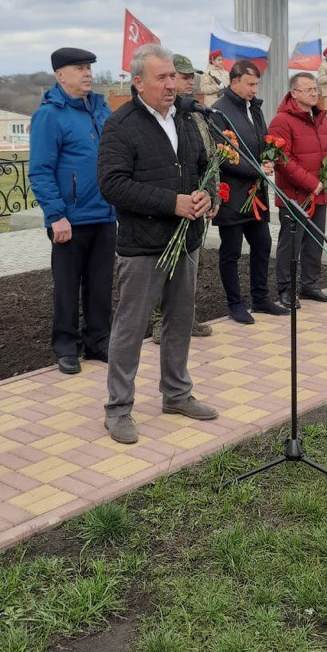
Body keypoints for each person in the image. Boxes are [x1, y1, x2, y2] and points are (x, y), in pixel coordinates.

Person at [98, 44, 218, 444]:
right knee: (130, 328)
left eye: (173, 77)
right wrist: (173, 203)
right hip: (143, 245)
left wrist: (207, 196)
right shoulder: (120, 125)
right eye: (162, 78)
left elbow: (202, 165)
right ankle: (118, 409)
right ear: (137, 82)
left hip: (185, 241)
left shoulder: (184, 117)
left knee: (180, 320)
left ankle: (177, 394)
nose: (172, 85)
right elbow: (112, 185)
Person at [29, 47, 116, 375]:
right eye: (79, 68)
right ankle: (66, 346)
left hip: (105, 215)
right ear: (60, 75)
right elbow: (40, 170)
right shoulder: (50, 115)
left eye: (90, 68)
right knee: (67, 286)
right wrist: (55, 215)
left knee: (100, 283)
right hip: (70, 219)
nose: (87, 74)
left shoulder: (100, 109)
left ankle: (98, 340)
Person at [269, 73, 327, 307]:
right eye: (308, 89)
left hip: (320, 193)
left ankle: (310, 284)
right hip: (295, 196)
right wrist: (311, 183)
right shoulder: (282, 121)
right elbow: (281, 160)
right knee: (291, 244)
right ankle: (286, 290)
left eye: (315, 88)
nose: (314, 92)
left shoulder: (321, 118)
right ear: (294, 93)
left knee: (315, 241)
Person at [214, 60, 288, 324]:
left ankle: (261, 298)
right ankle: (235, 304)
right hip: (232, 194)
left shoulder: (254, 108)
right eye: (250, 84)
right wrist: (256, 169)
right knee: (231, 250)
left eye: (256, 84)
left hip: (256, 192)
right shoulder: (218, 111)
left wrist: (269, 158)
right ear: (234, 82)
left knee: (262, 244)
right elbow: (223, 154)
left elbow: (263, 139)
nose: (255, 89)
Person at [149, 53, 216, 344]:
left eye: (191, 77)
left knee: (191, 264)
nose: (190, 82)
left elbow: (210, 157)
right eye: (183, 76)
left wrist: (214, 194)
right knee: (164, 265)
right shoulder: (160, 117)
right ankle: (158, 322)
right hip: (170, 205)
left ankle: (185, 317)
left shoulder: (196, 114)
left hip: (198, 202)